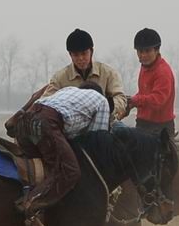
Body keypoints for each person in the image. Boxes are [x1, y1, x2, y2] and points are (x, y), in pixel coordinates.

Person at [14, 83, 112, 217]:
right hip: (47, 122)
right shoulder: (102, 101)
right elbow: (94, 140)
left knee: (39, 165)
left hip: (26, 120)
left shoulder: (68, 89)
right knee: (70, 171)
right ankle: (31, 204)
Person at [42, 28, 128, 118]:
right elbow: (46, 102)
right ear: (70, 55)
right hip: (71, 126)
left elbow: (120, 98)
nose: (80, 58)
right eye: (76, 55)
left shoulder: (108, 73)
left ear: (91, 51)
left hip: (106, 123)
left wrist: (108, 108)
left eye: (84, 53)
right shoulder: (59, 78)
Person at [127, 28, 176, 139]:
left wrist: (136, 100)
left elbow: (158, 100)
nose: (143, 55)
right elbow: (144, 93)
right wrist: (130, 103)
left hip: (160, 128)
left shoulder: (163, 72)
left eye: (147, 51)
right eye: (140, 51)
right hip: (142, 124)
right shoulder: (145, 67)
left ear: (157, 50)